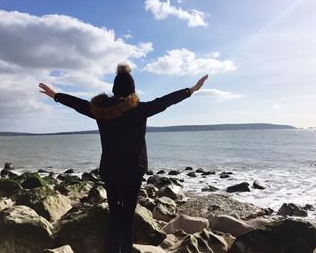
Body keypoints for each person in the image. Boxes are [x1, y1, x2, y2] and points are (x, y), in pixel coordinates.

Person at [39, 63, 208, 253]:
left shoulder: (99, 111)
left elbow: (78, 104)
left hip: (111, 171)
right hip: (133, 171)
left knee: (115, 215)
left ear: (114, 89)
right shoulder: (140, 109)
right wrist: (191, 90)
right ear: (132, 90)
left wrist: (55, 95)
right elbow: (165, 101)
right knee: (127, 216)